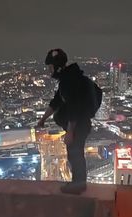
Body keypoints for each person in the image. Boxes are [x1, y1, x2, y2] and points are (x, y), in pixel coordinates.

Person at [37, 49, 92, 194]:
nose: (50, 70)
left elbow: (74, 107)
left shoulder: (69, 80)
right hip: (78, 125)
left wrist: (70, 132)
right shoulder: (68, 79)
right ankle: (78, 183)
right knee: (74, 153)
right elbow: (56, 101)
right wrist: (43, 119)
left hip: (79, 125)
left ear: (57, 66)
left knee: (75, 154)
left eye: (50, 67)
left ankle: (78, 185)